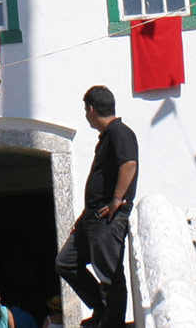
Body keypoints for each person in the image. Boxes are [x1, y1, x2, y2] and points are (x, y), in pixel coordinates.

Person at [55, 85, 137, 328]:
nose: (85, 114)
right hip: (92, 216)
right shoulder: (108, 137)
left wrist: (116, 201)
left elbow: (129, 164)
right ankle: (100, 308)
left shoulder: (120, 132)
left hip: (108, 217)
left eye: (85, 109)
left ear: (91, 108)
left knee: (109, 272)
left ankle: (112, 322)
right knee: (66, 262)